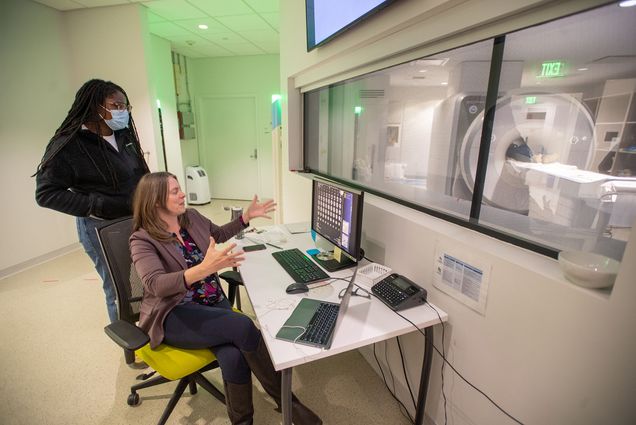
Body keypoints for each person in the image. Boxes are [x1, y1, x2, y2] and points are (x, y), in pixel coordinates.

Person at [129, 172, 322, 425]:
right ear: (155, 201)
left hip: (211, 302)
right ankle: (290, 405)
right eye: (175, 191)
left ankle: (244, 421)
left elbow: (217, 234)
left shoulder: (191, 218)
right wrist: (203, 269)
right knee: (243, 326)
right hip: (174, 313)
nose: (183, 194)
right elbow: (155, 284)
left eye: (180, 189)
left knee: (232, 356)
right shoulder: (142, 239)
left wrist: (245, 218)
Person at [35, 79, 149, 323]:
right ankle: (129, 341)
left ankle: (147, 326)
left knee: (139, 278)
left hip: (135, 219)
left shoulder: (123, 135)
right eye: (116, 105)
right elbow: (46, 194)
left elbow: (140, 172)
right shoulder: (69, 144)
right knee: (118, 286)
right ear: (95, 106)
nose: (122, 111)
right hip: (102, 227)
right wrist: (96, 205)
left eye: (125, 106)